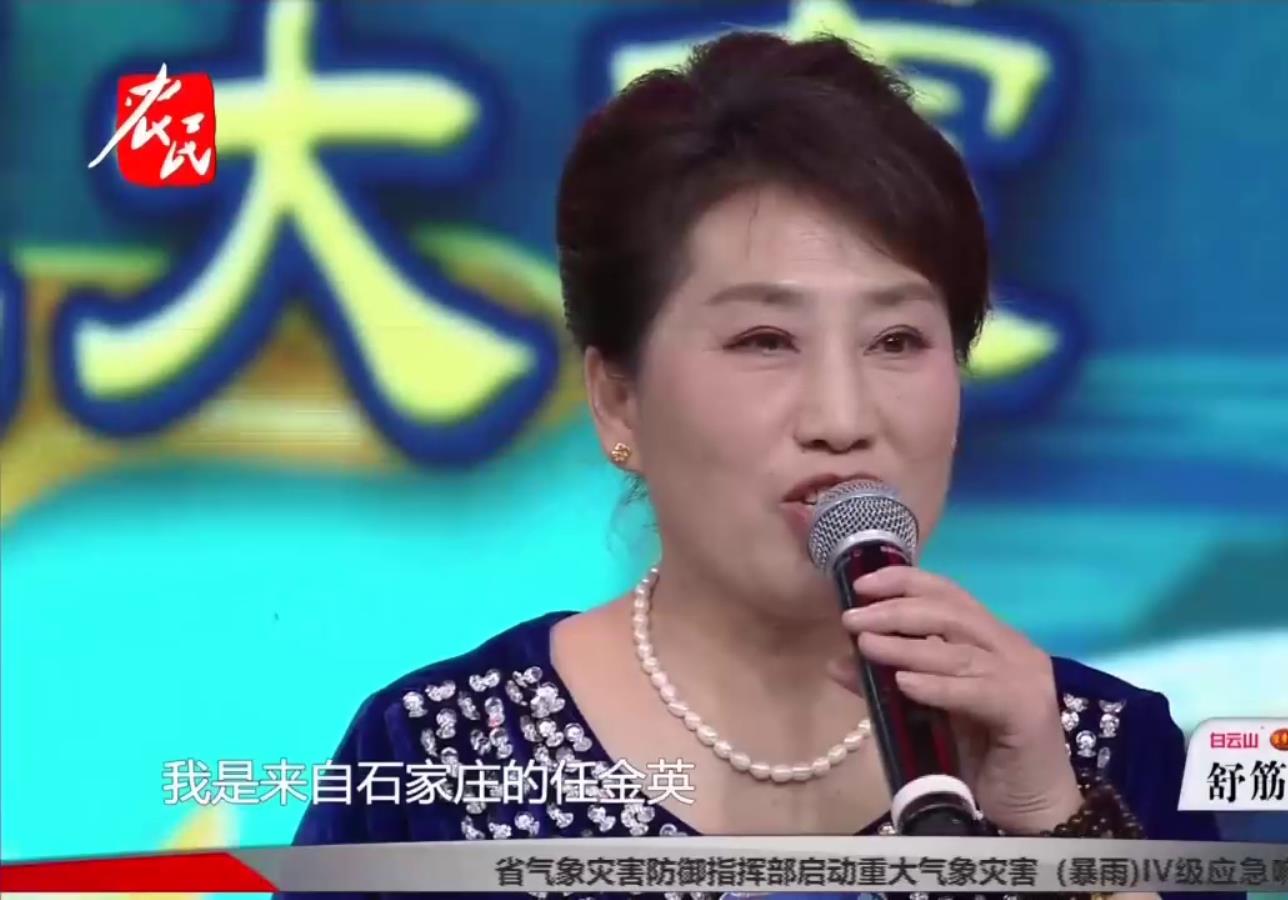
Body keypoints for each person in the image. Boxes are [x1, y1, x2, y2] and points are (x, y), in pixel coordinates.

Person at [285, 30, 1239, 900]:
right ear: (618, 398)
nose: (842, 418)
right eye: (765, 340)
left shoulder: (1104, 754)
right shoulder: (439, 760)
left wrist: (1055, 830)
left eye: (898, 340)